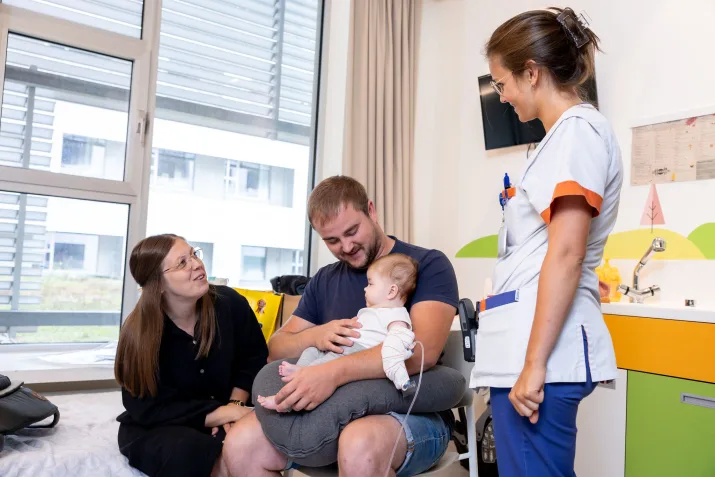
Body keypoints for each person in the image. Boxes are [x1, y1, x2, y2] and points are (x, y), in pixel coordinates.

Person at [469, 7, 622, 477]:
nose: (502, 96)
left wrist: (534, 365)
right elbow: (547, 249)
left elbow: (568, 251)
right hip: (526, 348)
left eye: (501, 83)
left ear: (531, 73)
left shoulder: (579, 131)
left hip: (540, 359)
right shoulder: (558, 140)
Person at [221, 175, 459, 477]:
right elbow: (277, 348)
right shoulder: (325, 280)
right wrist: (317, 335)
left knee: (358, 444)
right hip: (325, 416)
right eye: (332, 240)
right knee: (240, 444)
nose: (346, 246)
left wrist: (331, 374)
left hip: (411, 414)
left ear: (371, 211)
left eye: (352, 231)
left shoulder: (426, 265)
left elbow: (420, 352)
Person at [114, 234, 269, 477]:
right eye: (182, 263)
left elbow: (253, 358)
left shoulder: (230, 304)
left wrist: (235, 404)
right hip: (161, 426)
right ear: (158, 283)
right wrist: (220, 414)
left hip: (230, 409)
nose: (197, 264)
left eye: (194, 254)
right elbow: (146, 408)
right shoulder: (139, 332)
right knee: (190, 451)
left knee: (251, 446)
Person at [257, 253, 419, 411]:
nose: (364, 288)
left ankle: (283, 401)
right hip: (344, 345)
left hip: (358, 351)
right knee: (311, 350)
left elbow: (398, 340)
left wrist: (400, 376)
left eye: (370, 284)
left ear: (391, 291)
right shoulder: (372, 311)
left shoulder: (397, 314)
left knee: (319, 371)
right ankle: (301, 370)